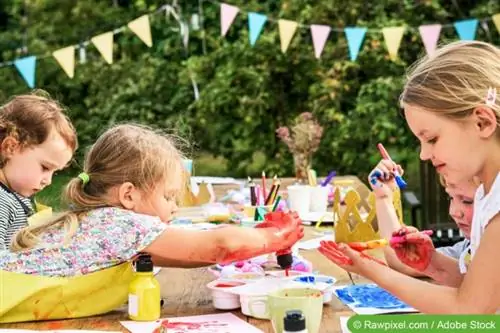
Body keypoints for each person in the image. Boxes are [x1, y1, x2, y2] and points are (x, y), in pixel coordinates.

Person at [319, 40, 500, 313]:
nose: (423, 155)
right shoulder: (489, 194)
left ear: (482, 122)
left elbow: (469, 310)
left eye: (432, 139)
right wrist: (432, 264)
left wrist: (370, 269)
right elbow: (481, 288)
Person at [370, 159, 475, 286]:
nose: (453, 212)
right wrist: (383, 197)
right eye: (451, 198)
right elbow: (403, 263)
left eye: (467, 201)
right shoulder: (469, 248)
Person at [0, 92, 77, 249]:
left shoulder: (13, 195)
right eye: (45, 167)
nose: (48, 181)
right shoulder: (2, 202)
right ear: (11, 147)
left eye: (54, 172)